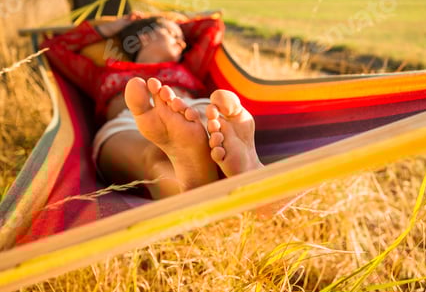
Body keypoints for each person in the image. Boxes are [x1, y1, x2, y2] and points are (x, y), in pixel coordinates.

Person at [41, 13, 263, 199]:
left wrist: (159, 21)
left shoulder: (187, 65)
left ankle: (206, 171)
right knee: (150, 157)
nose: (183, 43)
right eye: (174, 34)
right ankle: (193, 175)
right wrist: (114, 27)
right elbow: (52, 47)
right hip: (127, 123)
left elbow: (212, 26)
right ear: (145, 37)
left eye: (182, 37)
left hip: (188, 110)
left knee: (205, 122)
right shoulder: (104, 72)